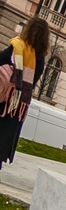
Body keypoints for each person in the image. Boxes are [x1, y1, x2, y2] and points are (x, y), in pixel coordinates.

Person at [0, 16, 48, 168]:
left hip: (4, 97)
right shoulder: (39, 59)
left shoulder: (17, 47)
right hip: (19, 104)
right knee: (5, 137)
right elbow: (33, 82)